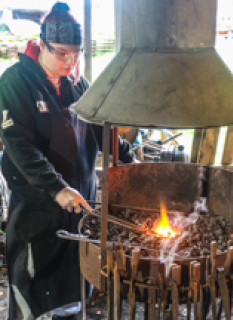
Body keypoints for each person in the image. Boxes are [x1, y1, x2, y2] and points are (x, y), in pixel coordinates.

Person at [0, 2, 135, 319]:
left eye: (76, 53)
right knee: (36, 285)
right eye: (62, 53)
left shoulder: (79, 85)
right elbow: (18, 144)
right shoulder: (16, 82)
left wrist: (130, 164)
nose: (70, 61)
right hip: (38, 209)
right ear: (41, 45)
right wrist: (56, 187)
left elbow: (104, 133)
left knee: (74, 284)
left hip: (78, 204)